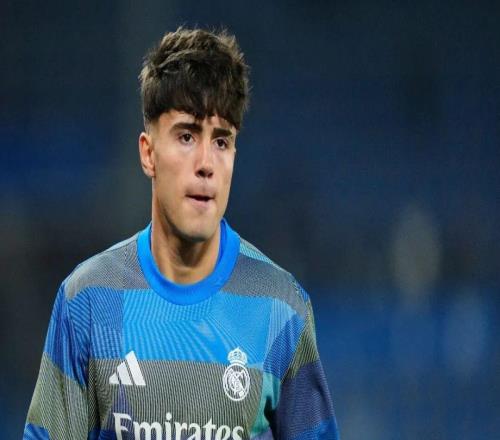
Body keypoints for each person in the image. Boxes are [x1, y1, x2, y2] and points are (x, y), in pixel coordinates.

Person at [24, 28, 339, 440]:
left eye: (221, 141)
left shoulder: (282, 309)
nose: (206, 163)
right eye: (187, 136)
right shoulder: (87, 301)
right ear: (148, 153)